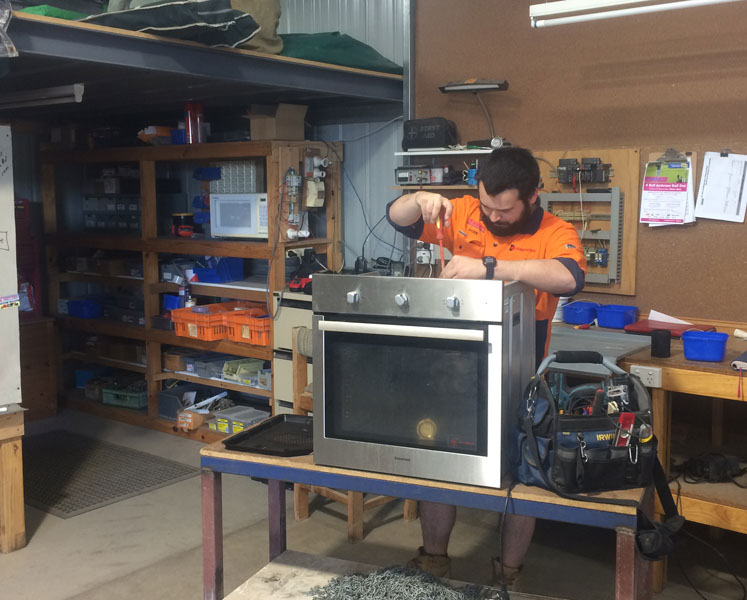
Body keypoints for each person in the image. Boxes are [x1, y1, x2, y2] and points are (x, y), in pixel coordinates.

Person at [386, 146, 586, 587]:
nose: (493, 216)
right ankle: (434, 561)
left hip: (519, 371)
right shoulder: (462, 212)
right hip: (453, 370)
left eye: (505, 209)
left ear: (531, 197)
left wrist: (489, 267)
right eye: (487, 206)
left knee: (523, 476)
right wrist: (417, 198)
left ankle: (508, 576)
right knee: (439, 462)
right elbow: (397, 218)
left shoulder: (556, 230)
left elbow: (570, 277)